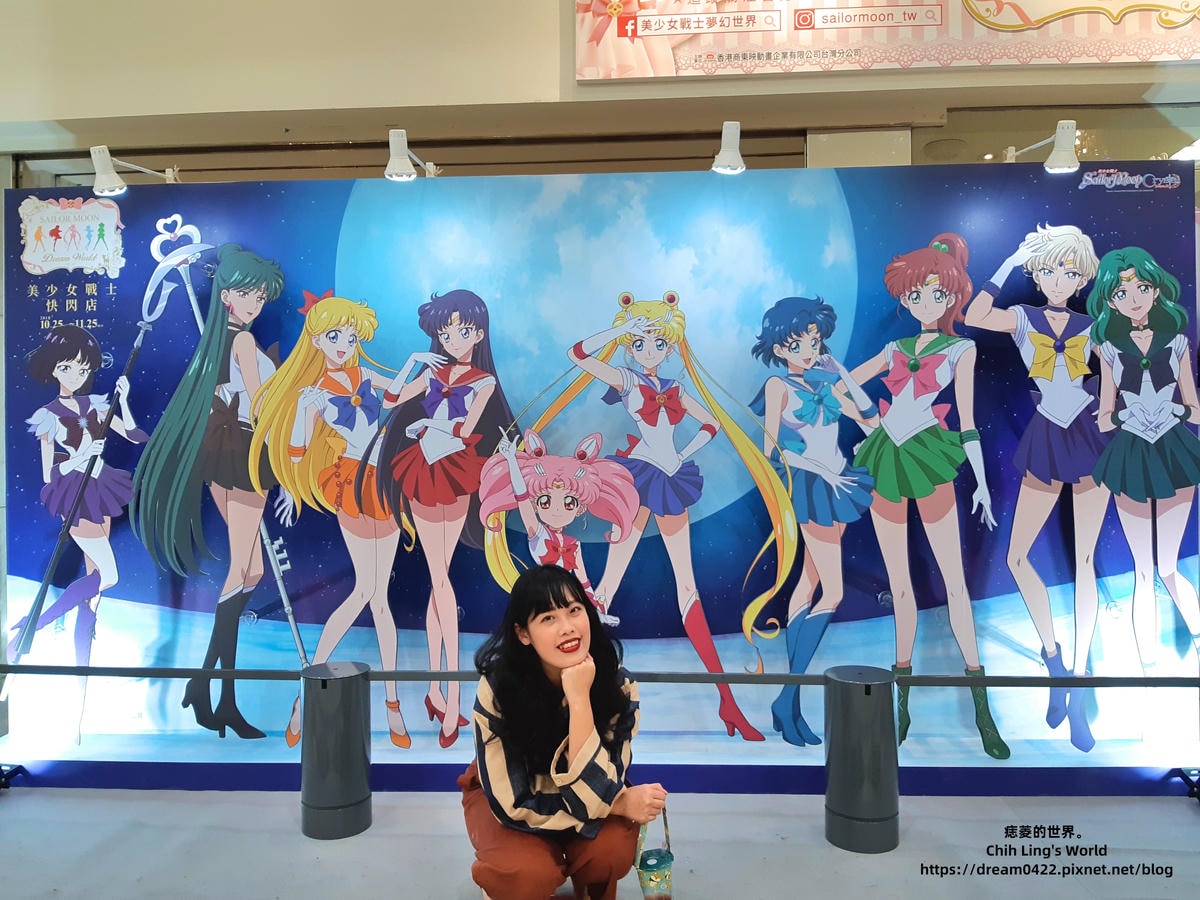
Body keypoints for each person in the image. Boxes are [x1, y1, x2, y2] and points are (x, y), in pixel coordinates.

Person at [556, 290, 794, 742]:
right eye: (640, 342)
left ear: (670, 347)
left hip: (668, 479)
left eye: (658, 342)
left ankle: (727, 702)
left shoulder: (676, 389)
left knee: (687, 588)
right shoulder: (627, 380)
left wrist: (682, 454)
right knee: (604, 591)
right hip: (638, 477)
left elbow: (711, 424)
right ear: (629, 347)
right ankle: (578, 702)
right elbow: (577, 355)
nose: (650, 350)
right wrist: (621, 329)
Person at [250, 291, 442, 748]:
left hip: (383, 484)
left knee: (380, 600)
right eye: (334, 336)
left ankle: (391, 703)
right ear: (316, 339)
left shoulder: (364, 375)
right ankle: (306, 696)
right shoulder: (311, 394)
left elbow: (398, 395)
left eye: (351, 338)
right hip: (352, 484)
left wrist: (418, 363)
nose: (343, 345)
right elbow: (297, 452)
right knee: (366, 592)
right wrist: (306, 413)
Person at [850, 232, 1009, 760]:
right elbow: (842, 387)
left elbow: (967, 421)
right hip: (886, 457)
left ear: (952, 296)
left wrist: (980, 480)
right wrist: (868, 422)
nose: (924, 303)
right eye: (915, 295)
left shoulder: (962, 348)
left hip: (929, 456)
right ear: (905, 296)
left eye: (936, 294)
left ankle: (982, 710)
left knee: (955, 583)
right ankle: (901, 707)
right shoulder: (893, 349)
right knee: (900, 586)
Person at [130, 243, 285, 739]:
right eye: (247, 294)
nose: (254, 304)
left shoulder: (216, 344)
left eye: (260, 297)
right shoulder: (243, 342)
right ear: (225, 295)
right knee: (241, 570)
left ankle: (202, 685)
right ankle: (226, 700)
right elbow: (260, 406)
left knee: (252, 569)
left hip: (220, 454)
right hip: (243, 454)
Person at [963, 223, 1107, 753]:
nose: (1058, 279)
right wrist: (1012, 259)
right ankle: (1054, 660)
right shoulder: (1023, 317)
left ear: (1082, 277)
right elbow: (974, 316)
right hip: (1048, 434)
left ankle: (1079, 685)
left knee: (1086, 562)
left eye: (1069, 271)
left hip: (1090, 432)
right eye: (1048, 270)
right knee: (1017, 557)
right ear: (1037, 274)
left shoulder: (1095, 324)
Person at [460, 564, 667, 900]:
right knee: (526, 872)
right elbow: (512, 803)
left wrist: (579, 697)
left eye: (574, 610)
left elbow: (602, 785)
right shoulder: (498, 689)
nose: (568, 628)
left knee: (612, 849)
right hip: (509, 800)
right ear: (523, 634)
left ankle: (589, 880)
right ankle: (515, 880)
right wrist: (615, 804)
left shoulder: (618, 685)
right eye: (548, 618)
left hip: (588, 793)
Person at [373, 289, 516, 748]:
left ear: (479, 333)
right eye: (446, 333)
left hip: (453, 468)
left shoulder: (483, 381)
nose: (455, 340)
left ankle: (447, 692)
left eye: (464, 331)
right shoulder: (431, 371)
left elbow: (466, 428)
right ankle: (444, 694)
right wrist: (414, 360)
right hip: (422, 467)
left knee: (440, 577)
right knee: (440, 579)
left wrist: (427, 425)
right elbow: (391, 398)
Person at [746, 296, 877, 746]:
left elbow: (871, 421)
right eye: (796, 343)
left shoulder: (826, 380)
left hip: (841, 481)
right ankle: (789, 698)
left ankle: (789, 703)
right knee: (833, 591)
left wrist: (843, 373)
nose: (807, 350)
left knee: (808, 583)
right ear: (779, 347)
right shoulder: (777, 386)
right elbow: (770, 450)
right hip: (813, 486)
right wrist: (818, 467)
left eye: (814, 341)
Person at [11, 326, 147, 737]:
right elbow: (47, 474)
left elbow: (135, 436)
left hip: (102, 488)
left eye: (84, 368)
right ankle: (30, 627)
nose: (76, 374)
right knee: (110, 576)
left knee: (93, 602)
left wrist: (124, 401)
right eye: (68, 367)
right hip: (75, 493)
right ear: (54, 368)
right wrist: (82, 455)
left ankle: (79, 712)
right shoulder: (49, 415)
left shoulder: (99, 403)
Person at [1088, 247, 1200, 673]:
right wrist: (1124, 415)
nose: (1133, 298)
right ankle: (1147, 668)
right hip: (1131, 455)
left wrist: (1177, 410)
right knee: (1142, 569)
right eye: (1121, 293)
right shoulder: (1108, 349)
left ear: (1156, 290)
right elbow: (1103, 418)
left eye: (1141, 287)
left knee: (1168, 566)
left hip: (1174, 454)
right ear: (1110, 301)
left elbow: (1196, 409)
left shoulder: (1177, 342)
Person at [477, 428, 639, 625]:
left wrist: (596, 612)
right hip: (541, 601)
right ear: (536, 504)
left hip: (567, 605)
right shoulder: (537, 533)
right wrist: (512, 461)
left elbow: (584, 584)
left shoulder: (574, 545)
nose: (556, 509)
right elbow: (522, 497)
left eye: (569, 502)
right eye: (545, 501)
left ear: (580, 508)